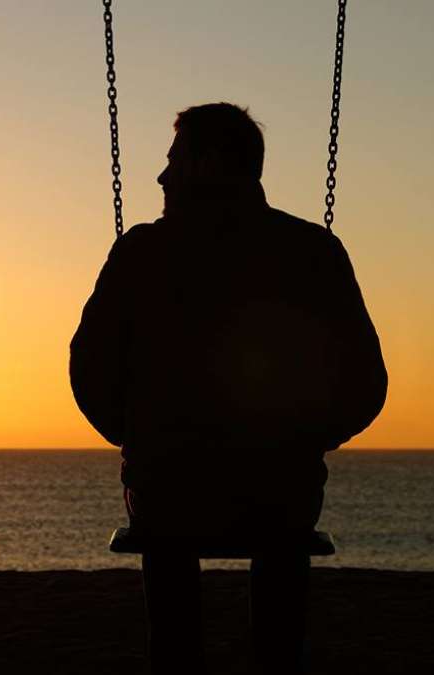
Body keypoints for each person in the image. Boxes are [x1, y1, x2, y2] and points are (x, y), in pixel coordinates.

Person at [70, 103, 387, 674]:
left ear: (209, 162)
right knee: (282, 535)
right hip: (279, 490)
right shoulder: (312, 251)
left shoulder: (141, 252)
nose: (162, 177)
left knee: (165, 528)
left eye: (173, 161)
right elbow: (365, 383)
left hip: (168, 487)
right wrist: (306, 439)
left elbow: (89, 370)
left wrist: (138, 436)